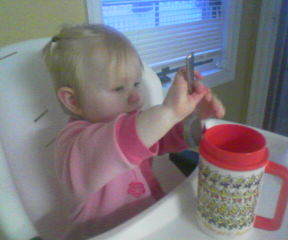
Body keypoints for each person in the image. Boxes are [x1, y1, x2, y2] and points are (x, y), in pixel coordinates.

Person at [42, 24, 225, 239]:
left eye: (136, 84)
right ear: (73, 101)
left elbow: (164, 135)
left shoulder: (136, 124)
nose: (135, 97)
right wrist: (169, 111)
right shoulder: (73, 143)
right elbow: (120, 141)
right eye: (119, 88)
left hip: (148, 223)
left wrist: (196, 117)